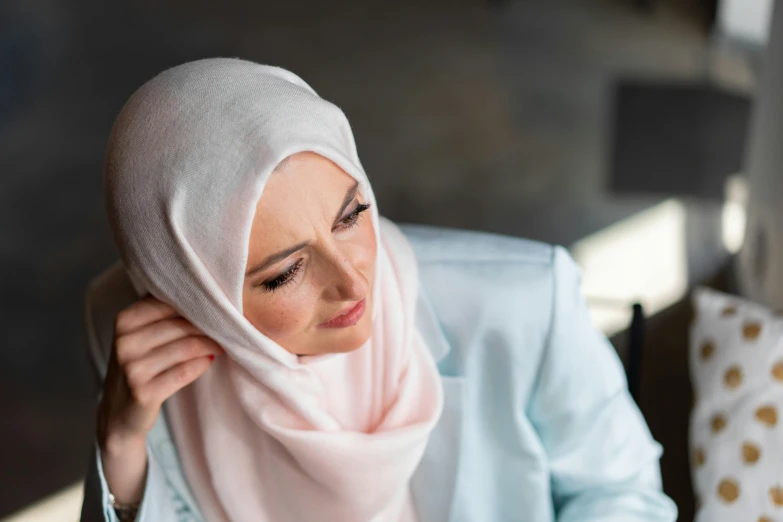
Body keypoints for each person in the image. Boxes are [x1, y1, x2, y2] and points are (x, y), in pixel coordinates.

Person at [80, 58, 677, 522]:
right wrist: (123, 443)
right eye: (286, 272)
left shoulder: (522, 303)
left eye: (350, 214)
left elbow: (622, 493)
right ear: (192, 294)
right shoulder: (143, 359)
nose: (352, 280)